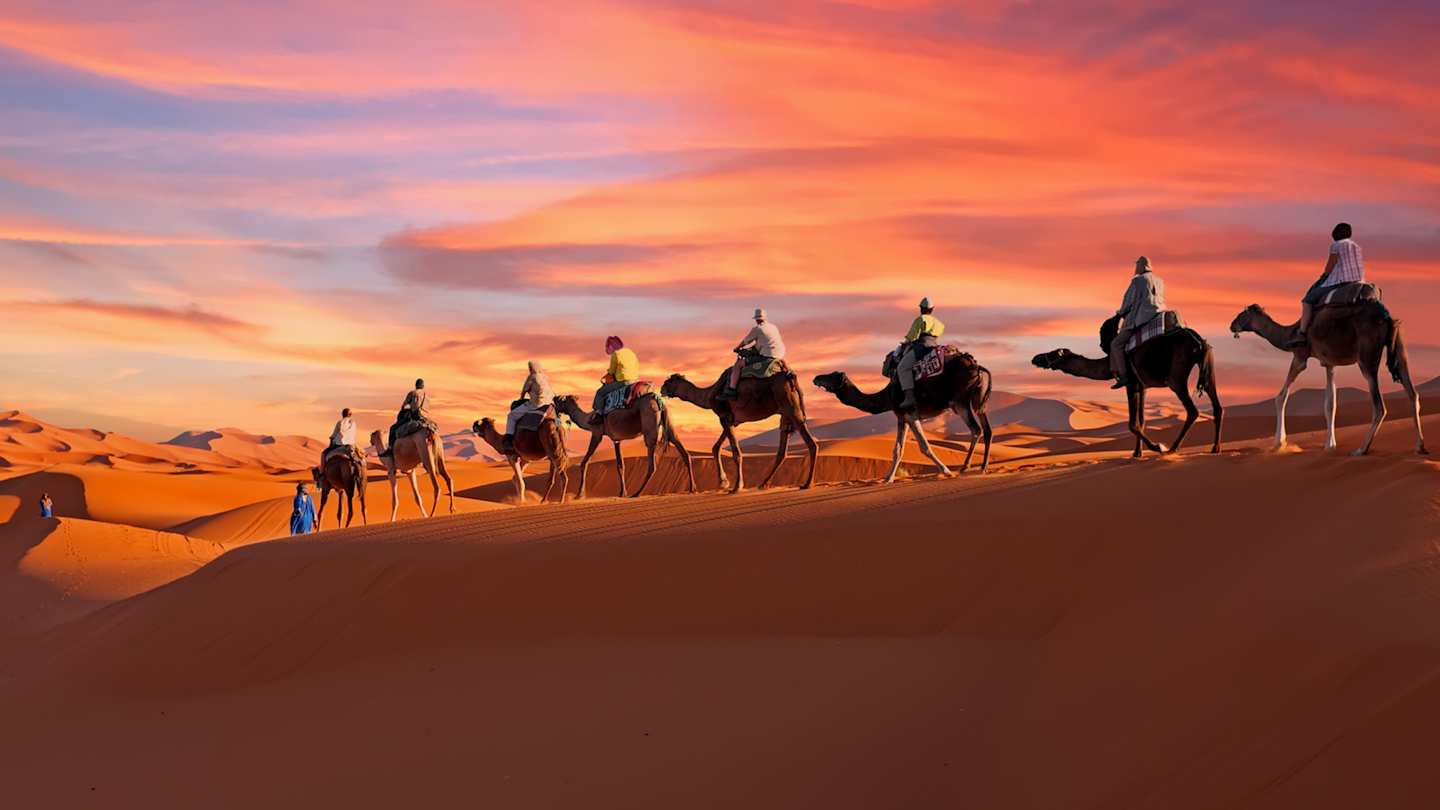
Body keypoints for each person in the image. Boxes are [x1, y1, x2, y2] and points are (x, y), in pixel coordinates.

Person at [1288, 222, 1364, 348]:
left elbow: (1330, 267)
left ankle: (1302, 333)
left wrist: (1323, 276)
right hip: (1358, 282)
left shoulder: (1336, 245)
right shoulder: (1356, 246)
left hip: (1340, 281)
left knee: (1307, 301)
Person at [1110, 256, 1165, 388]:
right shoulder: (1160, 281)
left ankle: (1124, 376)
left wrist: (1120, 312)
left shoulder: (1137, 281)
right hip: (1158, 317)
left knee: (1116, 344)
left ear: (1140, 266)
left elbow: (1128, 302)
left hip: (1141, 318)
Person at [719, 308, 787, 400]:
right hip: (779, 354)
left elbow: (746, 341)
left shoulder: (757, 329)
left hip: (767, 356)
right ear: (765, 318)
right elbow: (763, 340)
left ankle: (732, 390)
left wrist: (737, 348)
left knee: (738, 365)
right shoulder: (773, 327)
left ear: (756, 319)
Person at [896, 297, 945, 410]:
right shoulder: (939, 323)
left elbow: (912, 336)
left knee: (902, 368)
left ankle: (909, 397)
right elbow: (937, 335)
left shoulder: (920, 319)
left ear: (921, 308)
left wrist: (905, 343)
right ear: (932, 309)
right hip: (934, 346)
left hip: (921, 346)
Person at [504, 360, 555, 452]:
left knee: (511, 415)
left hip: (536, 404)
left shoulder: (532, 377)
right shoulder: (545, 377)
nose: (530, 369)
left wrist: (521, 399)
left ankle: (509, 439)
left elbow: (524, 391)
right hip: (549, 404)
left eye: (530, 367)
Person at [590, 336, 639, 426]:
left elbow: (612, 371)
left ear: (611, 346)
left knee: (600, 393)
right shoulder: (630, 352)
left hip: (623, 382)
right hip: (634, 380)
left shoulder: (616, 354)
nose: (606, 349)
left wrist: (607, 376)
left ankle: (599, 414)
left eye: (607, 346)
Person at [385, 378, 431, 455]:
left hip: (415, 417)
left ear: (416, 385)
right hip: (426, 419)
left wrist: (408, 407)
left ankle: (390, 449)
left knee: (393, 428)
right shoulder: (427, 397)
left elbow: (403, 406)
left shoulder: (413, 393)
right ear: (423, 386)